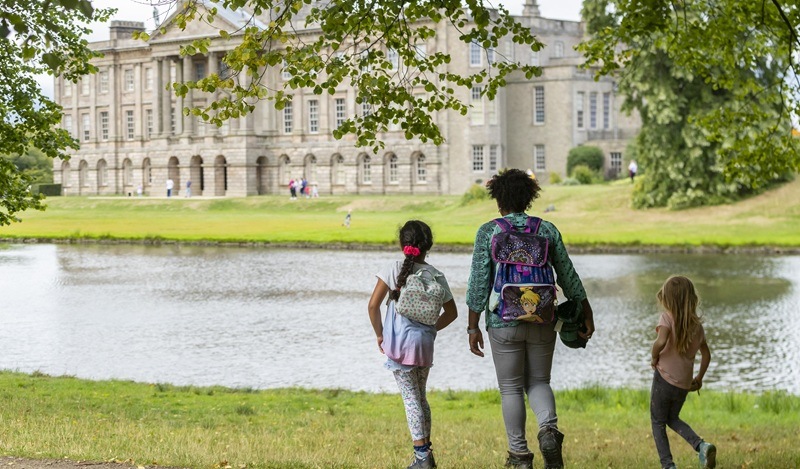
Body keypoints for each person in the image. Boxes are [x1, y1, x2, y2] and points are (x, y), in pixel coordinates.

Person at [466, 168, 594, 469]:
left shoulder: (489, 232)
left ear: (499, 201)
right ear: (529, 199)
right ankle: (548, 430)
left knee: (510, 388)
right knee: (539, 381)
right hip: (543, 317)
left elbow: (478, 284)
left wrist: (472, 326)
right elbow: (569, 277)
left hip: (503, 321)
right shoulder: (546, 230)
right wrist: (586, 310)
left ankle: (520, 456)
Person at [367, 220, 458, 469]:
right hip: (424, 345)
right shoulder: (436, 275)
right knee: (420, 397)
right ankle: (426, 453)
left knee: (410, 399)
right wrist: (431, 329)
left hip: (399, 345)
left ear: (402, 244)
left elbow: (373, 306)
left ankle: (421, 458)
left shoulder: (394, 268)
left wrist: (379, 334)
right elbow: (452, 313)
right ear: (428, 246)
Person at [650, 275, 715, 469]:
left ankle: (668, 465)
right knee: (672, 418)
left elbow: (660, 342)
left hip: (664, 379)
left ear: (669, 299)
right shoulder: (697, 326)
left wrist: (654, 356)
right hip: (683, 383)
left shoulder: (667, 318)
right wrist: (699, 379)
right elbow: (706, 355)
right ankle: (701, 445)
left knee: (658, 421)